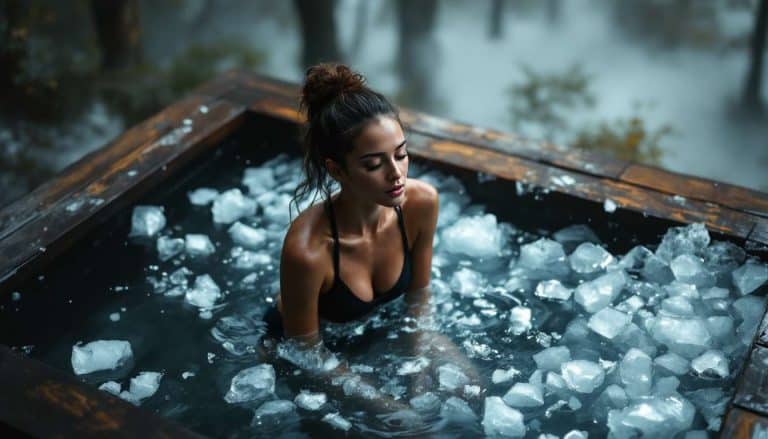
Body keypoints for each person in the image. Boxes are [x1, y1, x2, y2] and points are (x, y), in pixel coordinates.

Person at [261, 63, 478, 414]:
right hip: (304, 344)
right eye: (374, 164)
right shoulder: (308, 250)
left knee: (473, 388)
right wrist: (385, 406)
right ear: (336, 170)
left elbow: (419, 295)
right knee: (398, 424)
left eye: (402, 154)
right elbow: (306, 352)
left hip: (379, 324)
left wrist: (418, 364)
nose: (397, 173)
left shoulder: (421, 203)